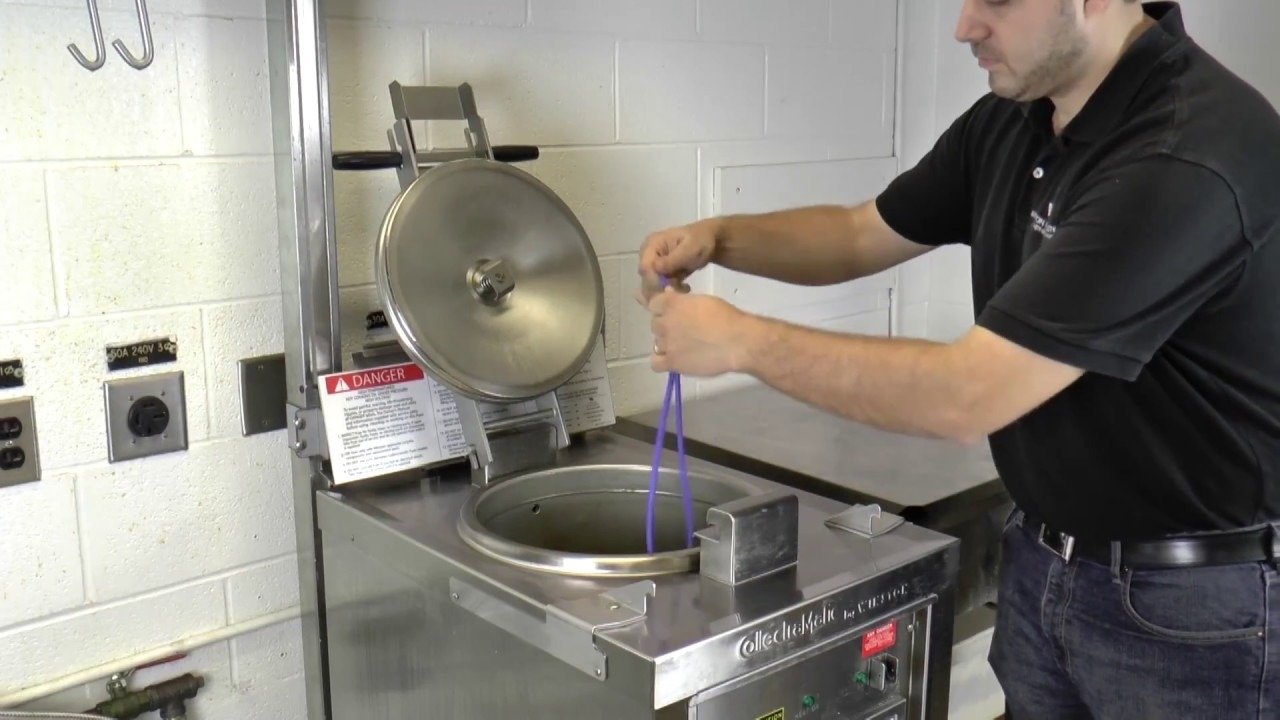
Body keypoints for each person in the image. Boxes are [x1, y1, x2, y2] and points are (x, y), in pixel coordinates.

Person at [637, 1, 1280, 717]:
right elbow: (858, 233)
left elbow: (966, 395)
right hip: (1043, 559)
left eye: (997, 1)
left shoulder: (1184, 151)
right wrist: (719, 237)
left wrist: (739, 341)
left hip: (1192, 612)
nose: (965, 27)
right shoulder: (1019, 115)